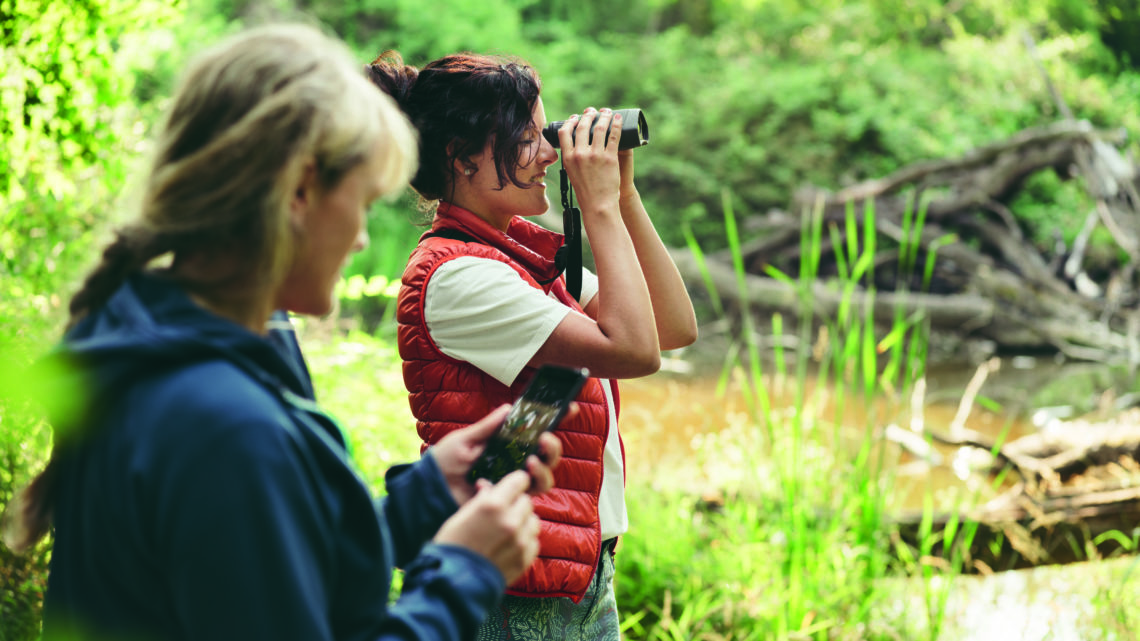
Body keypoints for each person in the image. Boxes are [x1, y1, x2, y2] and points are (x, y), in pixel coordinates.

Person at [1, 23, 563, 641]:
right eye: (361, 200)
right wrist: (463, 573)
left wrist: (419, 503)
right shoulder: (228, 426)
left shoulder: (142, 340)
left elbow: (248, 571)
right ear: (299, 191)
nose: (360, 238)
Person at [366, 51, 698, 640]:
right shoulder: (457, 277)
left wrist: (621, 195)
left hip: (577, 570)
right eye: (527, 138)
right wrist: (595, 206)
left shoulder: (521, 257)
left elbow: (671, 327)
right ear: (463, 158)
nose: (550, 150)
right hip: (514, 589)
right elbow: (634, 351)